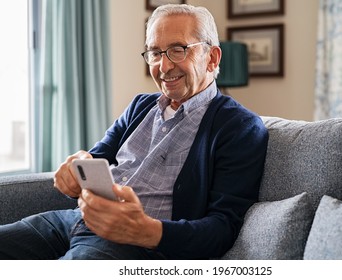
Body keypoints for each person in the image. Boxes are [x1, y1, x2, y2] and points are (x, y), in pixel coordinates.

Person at [0, 4, 268, 260]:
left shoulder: (240, 128)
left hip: (137, 246)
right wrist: (75, 169)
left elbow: (222, 229)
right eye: (155, 52)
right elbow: (96, 160)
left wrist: (146, 231)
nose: (163, 67)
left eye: (177, 50)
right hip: (76, 221)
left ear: (212, 58)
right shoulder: (140, 105)